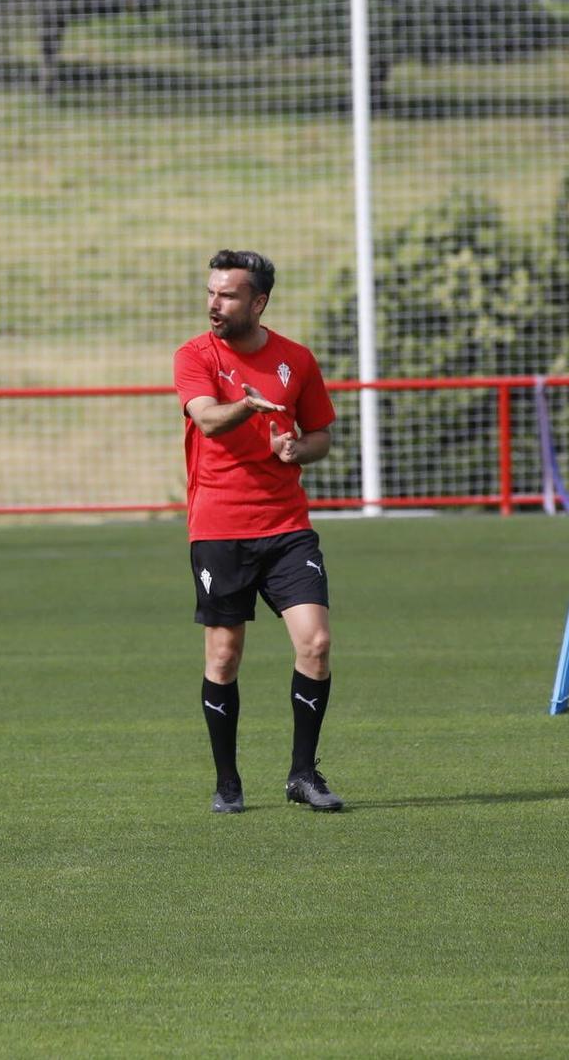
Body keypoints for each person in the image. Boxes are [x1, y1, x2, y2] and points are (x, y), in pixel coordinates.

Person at [173, 251, 343, 814]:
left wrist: (299, 448)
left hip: (287, 526)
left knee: (316, 644)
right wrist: (247, 405)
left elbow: (321, 434)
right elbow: (207, 418)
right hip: (220, 528)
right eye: (210, 293)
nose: (213, 304)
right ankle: (227, 783)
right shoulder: (195, 355)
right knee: (224, 657)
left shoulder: (296, 358)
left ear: (258, 301)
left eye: (226, 295)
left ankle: (302, 775)